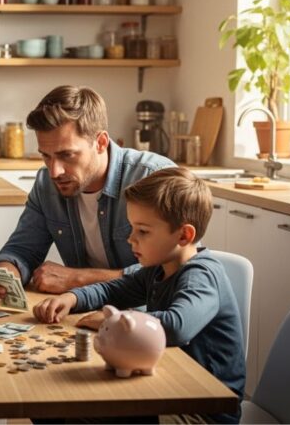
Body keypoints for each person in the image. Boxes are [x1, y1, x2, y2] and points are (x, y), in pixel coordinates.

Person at [33, 167, 246, 424]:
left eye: (143, 231)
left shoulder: (201, 275)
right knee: (53, 409)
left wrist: (113, 321)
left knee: (80, 412)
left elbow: (178, 326)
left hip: (201, 411)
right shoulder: (158, 268)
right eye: (132, 228)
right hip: (167, 390)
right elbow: (112, 289)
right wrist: (72, 298)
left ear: (183, 235)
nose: (131, 239)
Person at [0, 85, 174, 307]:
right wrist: (0, 276)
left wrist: (77, 279)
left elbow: (177, 270)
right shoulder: (46, 183)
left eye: (67, 155)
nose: (55, 171)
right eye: (46, 156)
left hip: (150, 322)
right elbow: (22, 250)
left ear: (101, 143)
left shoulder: (155, 177)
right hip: (81, 313)